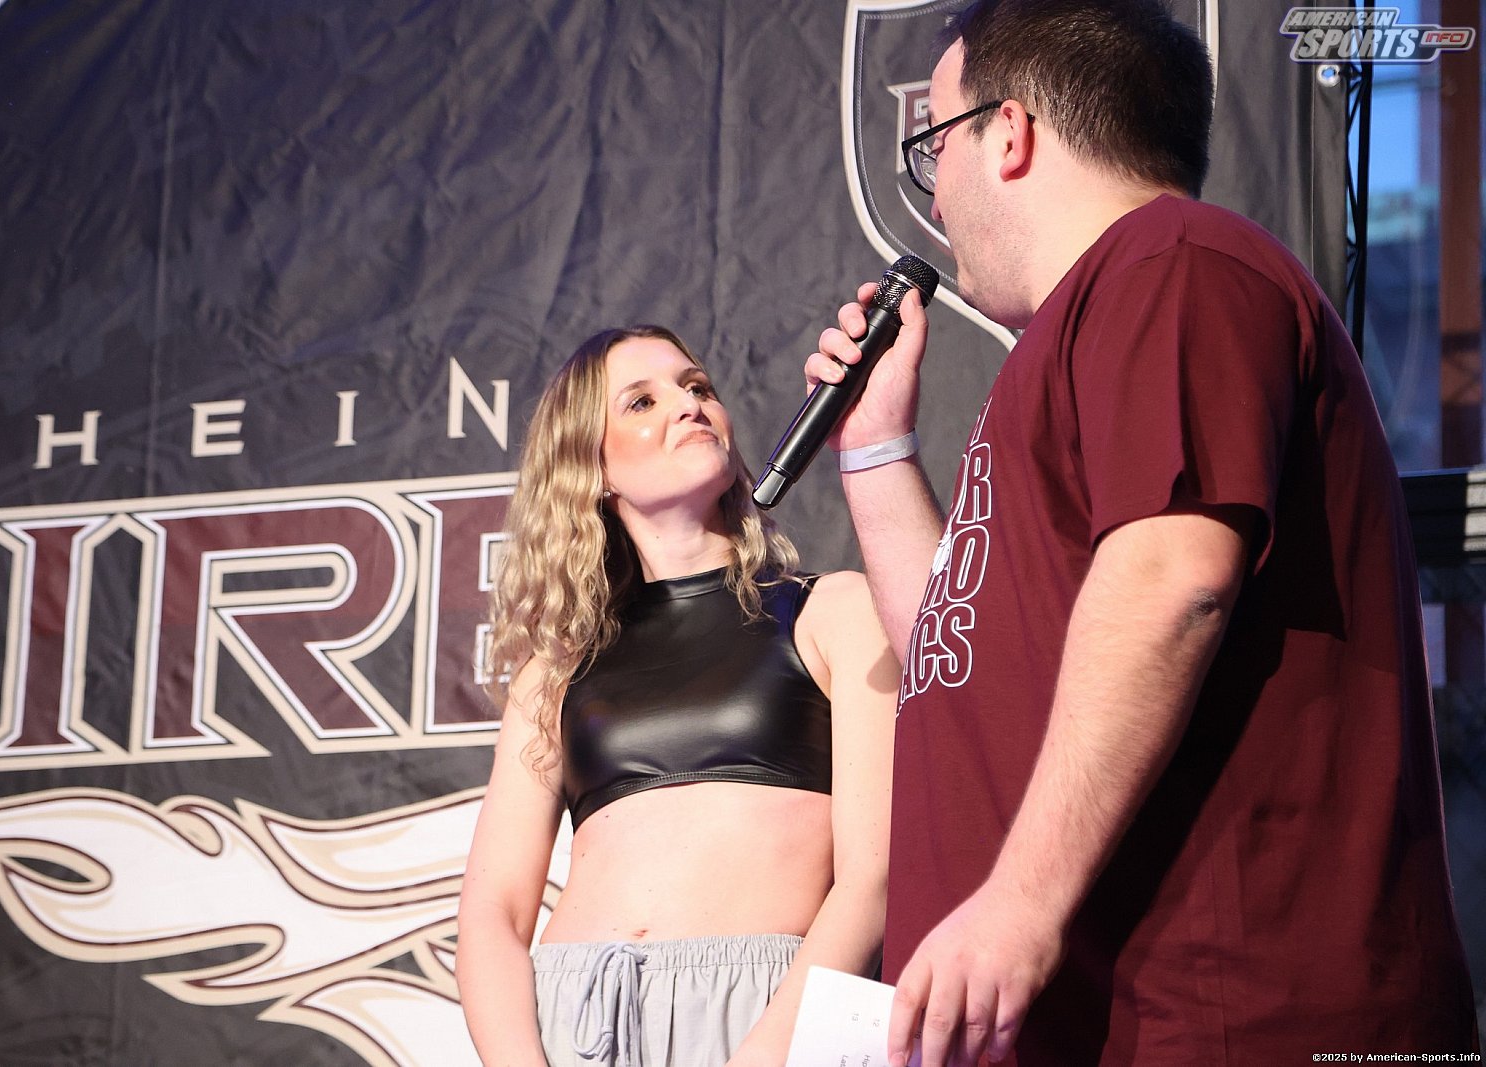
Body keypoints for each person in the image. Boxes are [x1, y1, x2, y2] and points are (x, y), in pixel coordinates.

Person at [806, 2, 1480, 1064]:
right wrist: (875, 447)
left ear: (1009, 133)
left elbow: (1173, 578)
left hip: (1222, 1018)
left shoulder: (1172, 263)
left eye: (935, 144)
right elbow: (959, 651)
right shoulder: (1088, 327)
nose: (932, 194)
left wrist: (1018, 904)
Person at [457, 325, 898, 1066]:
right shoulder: (558, 669)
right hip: (576, 1019)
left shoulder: (833, 610)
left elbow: (874, 876)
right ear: (592, 467)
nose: (689, 405)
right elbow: (492, 911)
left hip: (769, 1015)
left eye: (697, 388)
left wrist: (765, 1055)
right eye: (642, 401)